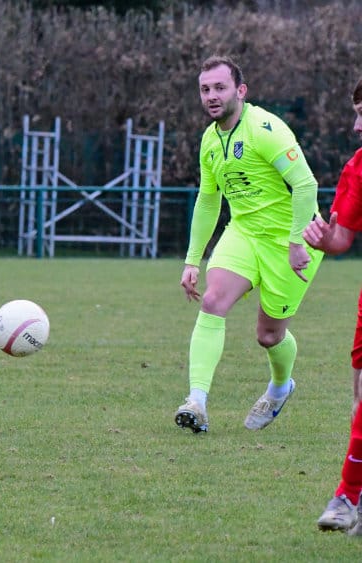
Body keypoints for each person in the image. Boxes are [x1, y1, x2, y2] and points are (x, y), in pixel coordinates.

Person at [174, 55, 323, 433]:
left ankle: (280, 387)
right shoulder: (210, 140)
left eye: (219, 88)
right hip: (243, 233)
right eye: (205, 89)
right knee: (212, 301)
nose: (211, 96)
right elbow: (208, 200)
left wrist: (295, 242)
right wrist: (192, 259)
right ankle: (196, 402)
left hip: (291, 240)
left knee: (268, 336)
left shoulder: (265, 129)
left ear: (240, 91)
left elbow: (306, 185)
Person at [306, 77, 362, 532]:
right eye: (357, 115)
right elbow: (342, 238)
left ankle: (347, 495)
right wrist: (325, 239)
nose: (357, 126)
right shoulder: (356, 168)